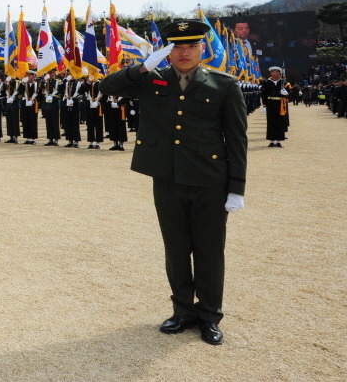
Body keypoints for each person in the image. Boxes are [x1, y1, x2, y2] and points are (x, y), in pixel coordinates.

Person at [100, 20, 247, 346]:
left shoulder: (224, 86)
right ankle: (183, 312)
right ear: (168, 51)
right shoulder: (152, 80)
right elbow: (105, 87)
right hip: (167, 180)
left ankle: (209, 316)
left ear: (202, 48)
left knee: (209, 253)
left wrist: (237, 187)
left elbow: (237, 140)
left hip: (211, 182)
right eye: (177, 47)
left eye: (191, 46)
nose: (184, 52)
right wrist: (140, 68)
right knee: (176, 250)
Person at [261, 66, 290, 147]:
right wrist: (264, 104)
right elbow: (264, 94)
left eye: (276, 72)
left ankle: (278, 140)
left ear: (279, 73)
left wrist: (286, 93)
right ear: (271, 73)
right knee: (271, 121)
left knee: (280, 122)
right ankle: (271, 140)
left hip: (280, 104)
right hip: (270, 103)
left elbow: (290, 94)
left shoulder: (283, 82)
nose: (274, 74)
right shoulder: (267, 83)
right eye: (273, 72)